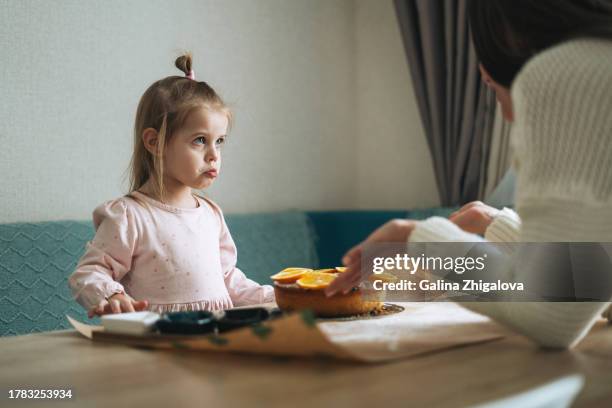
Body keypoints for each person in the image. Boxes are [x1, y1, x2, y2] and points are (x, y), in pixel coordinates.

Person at [327, 0, 612, 348]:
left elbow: (550, 313)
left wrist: (416, 238)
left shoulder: (565, 74)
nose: (509, 116)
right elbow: (596, 280)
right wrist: (497, 225)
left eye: (493, 87)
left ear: (510, 35)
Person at [69, 53, 274, 317]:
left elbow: (228, 279)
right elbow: (87, 273)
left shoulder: (210, 214)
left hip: (213, 343)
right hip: (157, 345)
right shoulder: (130, 216)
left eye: (219, 141)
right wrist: (114, 294)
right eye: (200, 140)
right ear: (154, 142)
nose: (214, 155)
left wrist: (278, 296)